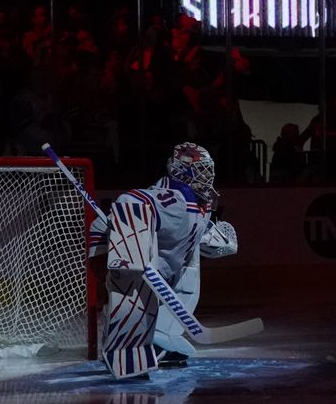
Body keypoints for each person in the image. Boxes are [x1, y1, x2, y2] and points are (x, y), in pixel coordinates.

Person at [90, 142, 238, 379]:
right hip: (142, 271)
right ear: (182, 171)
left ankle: (163, 337)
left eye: (208, 170)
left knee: (190, 269)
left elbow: (191, 229)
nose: (207, 177)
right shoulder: (173, 197)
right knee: (133, 291)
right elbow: (133, 200)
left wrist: (214, 237)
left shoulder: (201, 201)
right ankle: (128, 351)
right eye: (201, 170)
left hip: (170, 270)